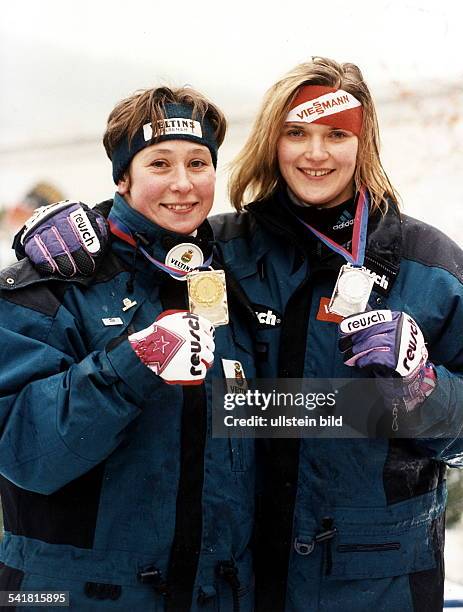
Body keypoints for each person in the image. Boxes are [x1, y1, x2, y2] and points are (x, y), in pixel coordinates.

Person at [16, 57, 463, 611]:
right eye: (296, 133)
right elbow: (148, 229)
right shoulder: (222, 249)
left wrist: (421, 384)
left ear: (365, 143)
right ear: (272, 142)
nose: (315, 153)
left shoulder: (430, 268)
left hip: (373, 585)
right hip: (240, 581)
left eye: (336, 135)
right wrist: (82, 227)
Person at [0, 86, 256, 611]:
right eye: (159, 163)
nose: (183, 184)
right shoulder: (47, 288)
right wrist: (130, 365)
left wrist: (403, 396)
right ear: (123, 176)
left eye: (198, 162)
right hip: (69, 596)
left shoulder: (239, 277)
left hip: (213, 592)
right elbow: (26, 455)